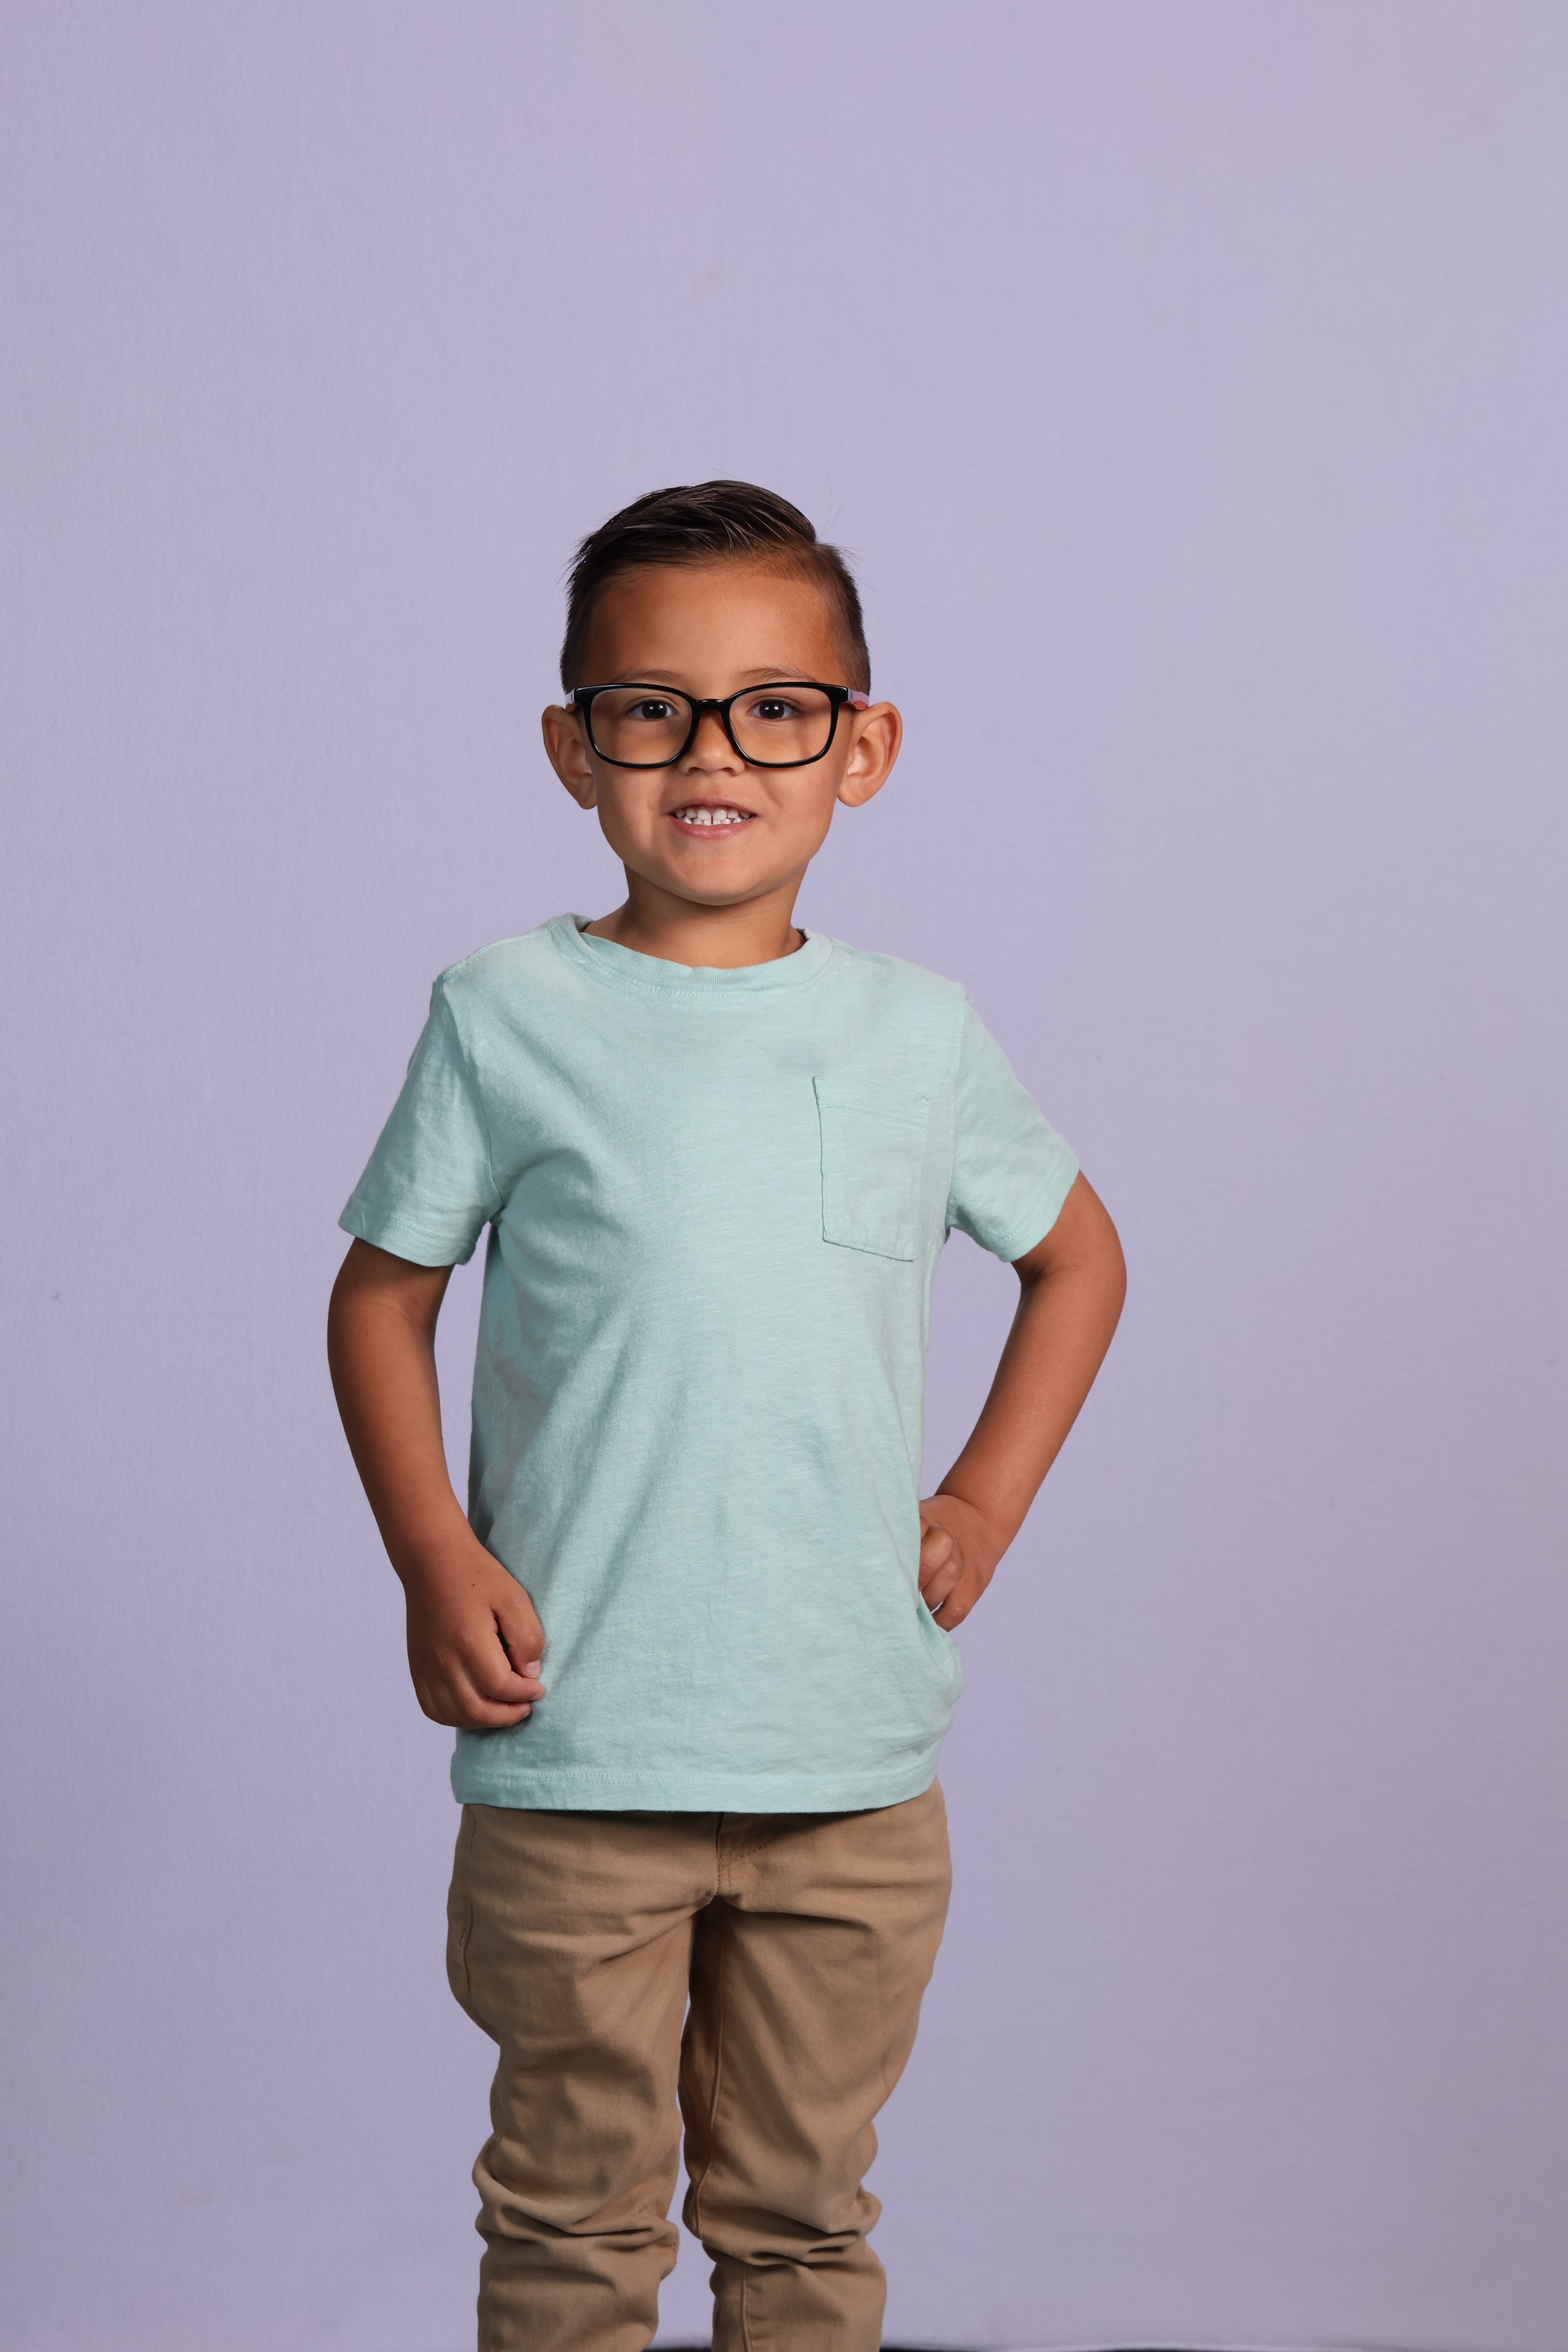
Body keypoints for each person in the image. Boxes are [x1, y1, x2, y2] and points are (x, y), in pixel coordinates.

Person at [326, 480, 1127, 2352]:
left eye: (776, 708)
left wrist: (983, 1504)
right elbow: (382, 1296)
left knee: (802, 2221)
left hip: (849, 1760)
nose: (713, 754)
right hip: (575, 1745)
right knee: (571, 2219)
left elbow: (1080, 1259)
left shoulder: (918, 1032)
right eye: (652, 709)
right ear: (573, 748)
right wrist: (432, 1551)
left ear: (863, 748)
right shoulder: (504, 1011)